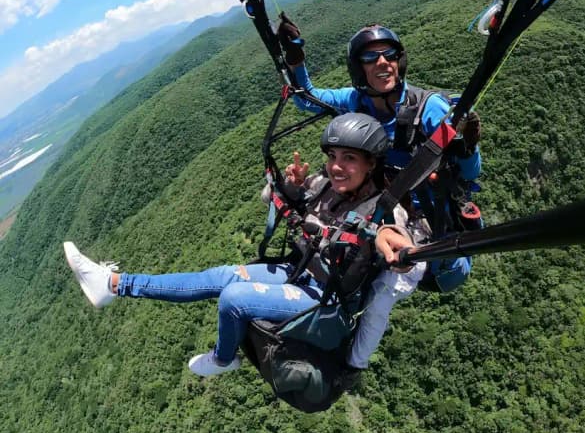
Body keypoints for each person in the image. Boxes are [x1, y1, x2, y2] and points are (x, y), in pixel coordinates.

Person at [64, 114, 416, 380]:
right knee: (220, 276)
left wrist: (393, 249)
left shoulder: (387, 211)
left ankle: (223, 358)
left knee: (233, 298)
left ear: (372, 163)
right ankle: (114, 285)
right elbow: (269, 199)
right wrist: (291, 189)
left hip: (324, 297)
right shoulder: (324, 185)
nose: (337, 166)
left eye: (350, 158)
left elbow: (399, 253)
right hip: (299, 271)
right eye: (333, 155)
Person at [277, 17, 482, 370]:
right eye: (371, 58)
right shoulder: (357, 101)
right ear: (360, 69)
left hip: (422, 218)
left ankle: (352, 361)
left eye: (389, 55)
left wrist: (466, 148)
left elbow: (470, 176)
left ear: (399, 62)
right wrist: (295, 60)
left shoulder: (427, 108)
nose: (382, 63)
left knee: (392, 283)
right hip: (377, 207)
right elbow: (307, 98)